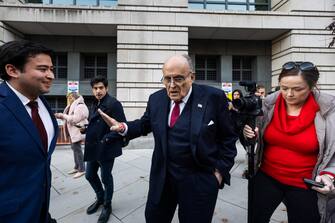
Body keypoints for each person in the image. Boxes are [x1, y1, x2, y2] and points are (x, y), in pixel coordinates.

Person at [98, 55, 238, 223]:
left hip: (199, 181)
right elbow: (144, 124)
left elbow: (228, 138)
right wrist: (123, 127)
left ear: (191, 77)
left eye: (178, 79)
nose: (171, 86)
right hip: (163, 179)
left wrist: (219, 173)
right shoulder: (156, 99)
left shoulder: (213, 98)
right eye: (167, 79)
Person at [243, 61, 335, 223]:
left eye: (298, 89)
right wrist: (249, 133)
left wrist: (329, 174)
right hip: (266, 177)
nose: (289, 94)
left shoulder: (328, 111)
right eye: (284, 88)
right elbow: (255, 137)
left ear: (312, 86)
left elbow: (332, 152)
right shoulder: (268, 104)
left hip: (305, 184)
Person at [0, 40, 58, 223]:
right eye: (42, 69)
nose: (51, 75)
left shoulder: (42, 102)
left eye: (51, 68)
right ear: (12, 70)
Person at [84, 76, 126, 223]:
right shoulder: (96, 103)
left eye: (101, 88)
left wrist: (106, 139)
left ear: (106, 88)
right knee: (89, 175)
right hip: (93, 148)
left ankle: (107, 205)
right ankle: (100, 198)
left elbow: (121, 126)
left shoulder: (114, 104)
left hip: (106, 148)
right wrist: (86, 129)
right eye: (95, 88)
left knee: (106, 177)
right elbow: (96, 123)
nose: (98, 91)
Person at [55, 92, 89, 179]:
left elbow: (75, 119)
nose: (69, 99)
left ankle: (82, 169)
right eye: (68, 98)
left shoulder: (80, 106)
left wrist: (62, 116)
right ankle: (77, 167)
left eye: (70, 97)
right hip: (72, 131)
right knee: (75, 149)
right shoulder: (72, 105)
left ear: (74, 97)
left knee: (77, 150)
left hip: (77, 131)